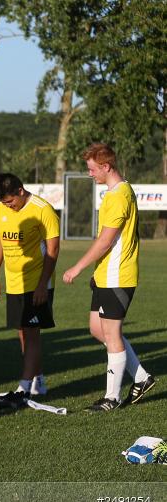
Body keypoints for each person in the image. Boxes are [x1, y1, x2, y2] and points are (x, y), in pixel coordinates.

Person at [62, 143, 155, 411]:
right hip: (106, 274)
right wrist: (96, 271)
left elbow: (105, 241)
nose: (89, 174)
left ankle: (111, 398)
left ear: (106, 166)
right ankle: (141, 377)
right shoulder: (117, 192)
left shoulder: (118, 196)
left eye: (92, 169)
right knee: (97, 329)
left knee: (112, 335)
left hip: (117, 276)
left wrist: (77, 267)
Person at [0, 172, 59, 404]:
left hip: (36, 281)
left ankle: (24, 387)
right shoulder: (0, 208)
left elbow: (53, 250)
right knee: (22, 332)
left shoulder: (43, 210)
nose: (7, 206)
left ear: (20, 191)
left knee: (31, 333)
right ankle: (38, 379)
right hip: (14, 282)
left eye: (10, 201)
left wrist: (42, 285)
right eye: (3, 203)